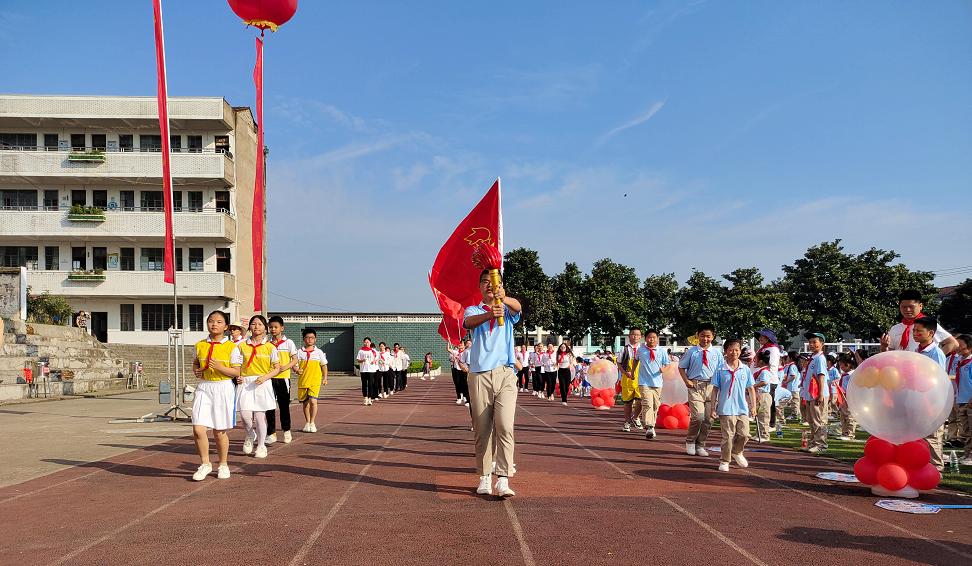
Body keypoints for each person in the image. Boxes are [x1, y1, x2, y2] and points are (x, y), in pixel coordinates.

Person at [462, 269, 522, 498]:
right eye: (485, 282)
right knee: (482, 429)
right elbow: (468, 322)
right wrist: (489, 314)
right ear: (479, 287)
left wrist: (503, 298)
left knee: (505, 426)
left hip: (505, 374)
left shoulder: (506, 310)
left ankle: (503, 479)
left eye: (494, 282)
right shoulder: (474, 310)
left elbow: (518, 307)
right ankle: (485, 476)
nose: (489, 285)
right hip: (479, 375)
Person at [217, 315, 281, 459]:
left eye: (259, 324)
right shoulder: (241, 346)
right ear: (249, 327)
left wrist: (265, 377)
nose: (256, 327)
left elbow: (277, 368)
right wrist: (237, 376)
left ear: (265, 328)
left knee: (259, 417)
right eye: (253, 324)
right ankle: (250, 434)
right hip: (245, 383)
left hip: (262, 383)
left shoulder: (270, 347)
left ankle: (261, 445)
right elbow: (236, 365)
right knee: (245, 416)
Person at [189, 310, 238, 481]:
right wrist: (197, 370)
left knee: (219, 432)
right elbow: (196, 362)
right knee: (198, 428)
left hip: (223, 387)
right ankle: (205, 463)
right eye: (211, 321)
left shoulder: (232, 347)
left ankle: (223, 464)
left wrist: (219, 367)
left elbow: (236, 372)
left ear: (225, 326)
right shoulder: (200, 345)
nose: (214, 324)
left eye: (218, 322)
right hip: (204, 387)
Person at [709, 338, 756, 471]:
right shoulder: (720, 369)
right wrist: (713, 407)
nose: (733, 352)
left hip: (742, 408)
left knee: (744, 434)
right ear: (725, 352)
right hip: (726, 408)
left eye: (736, 350)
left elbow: (751, 388)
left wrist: (753, 406)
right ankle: (724, 460)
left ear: (740, 351)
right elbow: (715, 390)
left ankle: (737, 451)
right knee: (728, 436)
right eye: (730, 350)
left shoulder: (745, 369)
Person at [679, 323, 724, 456]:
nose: (705, 339)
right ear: (698, 336)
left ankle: (701, 445)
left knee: (709, 419)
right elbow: (681, 367)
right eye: (702, 336)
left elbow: (721, 370)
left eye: (708, 336)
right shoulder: (692, 352)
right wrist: (686, 380)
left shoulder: (717, 353)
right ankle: (690, 441)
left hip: (712, 387)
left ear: (713, 337)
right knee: (698, 416)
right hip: (695, 386)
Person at [913, 316, 948, 470]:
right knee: (918, 436)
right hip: (917, 400)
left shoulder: (936, 353)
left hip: (931, 402)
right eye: (914, 331)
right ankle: (921, 467)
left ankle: (936, 469)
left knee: (932, 437)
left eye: (919, 331)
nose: (915, 334)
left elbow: (938, 380)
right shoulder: (916, 351)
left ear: (931, 333)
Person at [881, 289, 958, 354]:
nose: (907, 310)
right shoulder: (895, 328)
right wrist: (884, 347)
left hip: (922, 370)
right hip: (901, 370)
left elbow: (953, 343)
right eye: (904, 307)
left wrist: (932, 359)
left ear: (920, 306)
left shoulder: (929, 325)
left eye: (911, 307)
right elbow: (890, 353)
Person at [266, 316, 298, 445]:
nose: (273, 329)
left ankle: (286, 430)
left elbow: (295, 359)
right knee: (269, 406)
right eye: (271, 327)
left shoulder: (288, 343)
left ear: (282, 328)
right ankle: (271, 433)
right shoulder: (267, 344)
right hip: (269, 378)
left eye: (275, 327)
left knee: (284, 406)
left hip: (283, 378)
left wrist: (285, 367)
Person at [636, 329, 670, 440]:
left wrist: (663, 369)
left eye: (654, 337)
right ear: (645, 339)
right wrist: (632, 373)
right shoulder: (641, 350)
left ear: (657, 339)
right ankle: (649, 426)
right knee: (647, 404)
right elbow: (636, 360)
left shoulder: (662, 351)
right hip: (644, 382)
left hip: (657, 382)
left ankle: (652, 426)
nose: (651, 339)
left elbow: (668, 364)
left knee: (656, 405)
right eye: (649, 337)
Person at [802, 332, 830, 453]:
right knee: (811, 419)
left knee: (819, 419)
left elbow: (821, 376)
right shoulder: (813, 358)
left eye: (815, 342)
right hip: (810, 394)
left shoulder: (820, 358)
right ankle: (814, 442)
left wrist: (820, 394)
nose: (812, 344)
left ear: (821, 344)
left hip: (817, 394)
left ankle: (821, 444)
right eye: (810, 342)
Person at [296, 328, 328, 433]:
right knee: (305, 403)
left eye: (312, 338)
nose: (310, 340)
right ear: (304, 339)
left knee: (313, 401)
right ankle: (307, 422)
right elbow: (294, 365)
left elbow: (324, 365)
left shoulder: (319, 352)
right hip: (303, 381)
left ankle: (313, 422)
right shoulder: (299, 352)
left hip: (315, 381)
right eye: (307, 337)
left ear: (315, 339)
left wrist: (325, 378)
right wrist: (297, 369)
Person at [754, 329, 781, 429]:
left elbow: (772, 365)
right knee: (765, 402)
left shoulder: (772, 349)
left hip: (770, 379)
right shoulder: (764, 348)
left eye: (763, 336)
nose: (760, 338)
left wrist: (762, 371)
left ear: (769, 338)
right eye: (759, 336)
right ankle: (766, 423)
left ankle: (771, 424)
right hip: (763, 377)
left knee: (769, 402)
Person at [951, 334, 972, 465]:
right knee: (965, 430)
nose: (957, 348)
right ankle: (967, 454)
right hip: (961, 400)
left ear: (969, 347)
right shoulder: (960, 362)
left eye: (960, 346)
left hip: (970, 400)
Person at [619, 328, 644, 432]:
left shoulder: (644, 349)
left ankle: (636, 417)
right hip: (628, 379)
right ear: (629, 336)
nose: (635, 337)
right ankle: (627, 421)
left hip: (641, 378)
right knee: (627, 402)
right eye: (633, 334)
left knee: (641, 400)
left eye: (638, 335)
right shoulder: (624, 349)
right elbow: (619, 363)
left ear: (641, 337)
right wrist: (625, 373)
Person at [752, 349, 773, 442]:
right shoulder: (761, 370)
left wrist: (753, 386)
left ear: (761, 361)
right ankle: (759, 433)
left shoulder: (765, 371)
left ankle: (764, 435)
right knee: (759, 415)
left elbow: (764, 382)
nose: (754, 361)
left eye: (756, 359)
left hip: (764, 395)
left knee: (764, 416)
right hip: (759, 394)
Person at [835, 352, 857, 440]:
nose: (840, 367)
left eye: (841, 365)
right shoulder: (844, 375)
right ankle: (844, 432)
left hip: (849, 398)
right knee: (843, 416)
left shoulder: (853, 374)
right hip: (842, 398)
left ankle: (850, 433)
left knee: (849, 416)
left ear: (848, 365)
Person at [356, 337, 379, 406]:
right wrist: (362, 360)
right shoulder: (361, 351)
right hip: (363, 370)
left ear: (370, 343)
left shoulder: (373, 351)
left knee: (370, 384)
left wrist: (374, 361)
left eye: (367, 342)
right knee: (364, 384)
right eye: (365, 342)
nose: (366, 343)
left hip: (371, 370)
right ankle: (365, 397)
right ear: (363, 343)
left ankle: (369, 398)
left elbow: (377, 358)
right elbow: (358, 360)